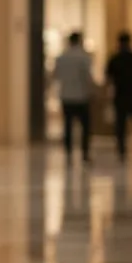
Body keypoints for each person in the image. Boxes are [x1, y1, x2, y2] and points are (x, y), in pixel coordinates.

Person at [105, 31, 132, 162]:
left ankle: (122, 151)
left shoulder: (114, 58)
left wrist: (107, 96)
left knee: (121, 125)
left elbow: (108, 80)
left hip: (120, 96)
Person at [52, 32, 95, 165]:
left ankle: (69, 154)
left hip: (66, 96)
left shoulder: (61, 58)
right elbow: (87, 77)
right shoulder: (84, 57)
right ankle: (85, 153)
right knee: (85, 127)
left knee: (68, 126)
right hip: (82, 96)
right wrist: (92, 92)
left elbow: (55, 76)